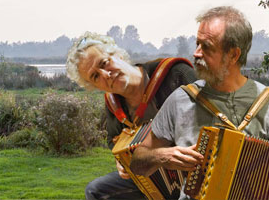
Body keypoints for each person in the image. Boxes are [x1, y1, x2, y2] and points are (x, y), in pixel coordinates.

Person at [130, 6, 269, 200]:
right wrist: (163, 156)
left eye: (206, 47)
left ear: (233, 54)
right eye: (197, 44)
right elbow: (138, 162)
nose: (197, 53)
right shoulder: (181, 99)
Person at [66, 31, 197, 200]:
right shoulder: (114, 105)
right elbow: (113, 140)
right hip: (153, 177)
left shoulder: (176, 74)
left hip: (197, 167)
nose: (106, 75)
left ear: (118, 54)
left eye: (104, 63)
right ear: (94, 85)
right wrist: (122, 161)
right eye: (95, 76)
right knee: (96, 191)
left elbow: (214, 115)